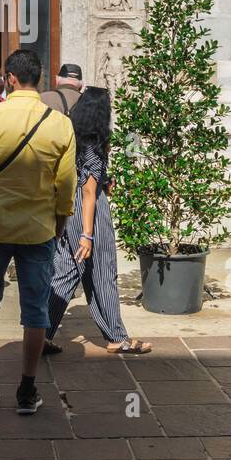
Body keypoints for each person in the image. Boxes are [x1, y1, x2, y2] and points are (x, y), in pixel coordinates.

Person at [0, 49, 76, 414]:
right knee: (36, 307)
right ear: (39, 78)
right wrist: (60, 220)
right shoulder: (59, 123)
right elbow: (66, 183)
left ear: (10, 78)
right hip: (39, 229)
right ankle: (27, 389)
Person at [45, 87, 152, 357]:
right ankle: (117, 337)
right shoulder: (93, 142)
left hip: (69, 208)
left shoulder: (72, 136)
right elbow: (90, 191)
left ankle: (40, 334)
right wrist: (88, 234)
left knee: (66, 273)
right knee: (103, 270)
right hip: (88, 211)